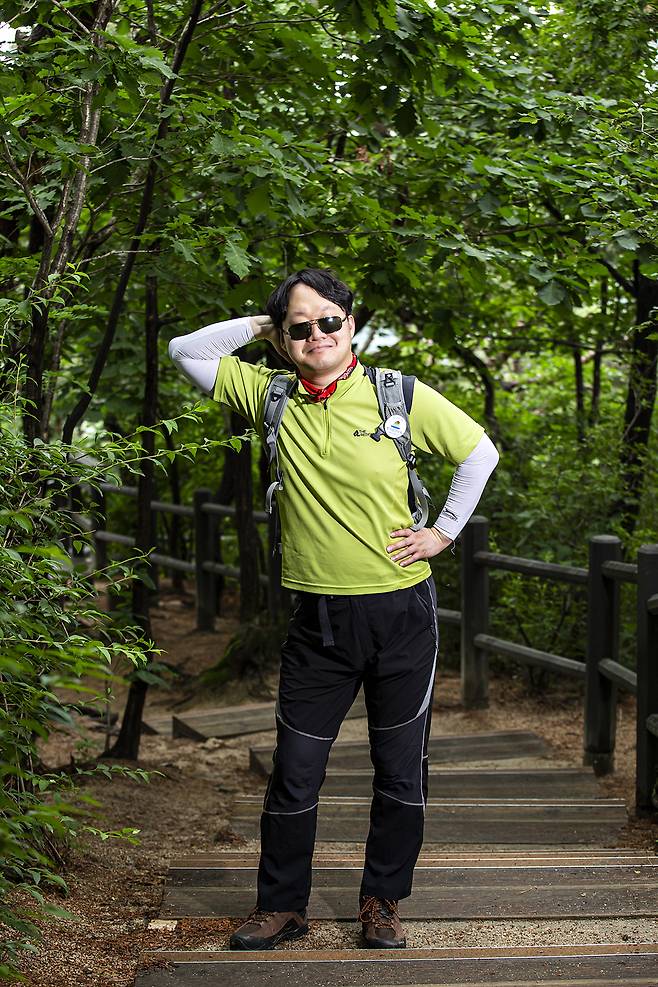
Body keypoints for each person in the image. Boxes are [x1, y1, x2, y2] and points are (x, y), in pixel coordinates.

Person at [168, 267, 499, 951]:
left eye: (329, 320)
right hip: (317, 622)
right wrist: (266, 322)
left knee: (400, 767)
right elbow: (188, 351)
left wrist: (442, 531)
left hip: (401, 614)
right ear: (284, 341)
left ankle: (382, 900)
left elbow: (479, 452)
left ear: (352, 324)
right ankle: (283, 905)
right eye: (300, 326)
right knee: (294, 766)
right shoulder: (271, 397)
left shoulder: (395, 395)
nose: (317, 333)